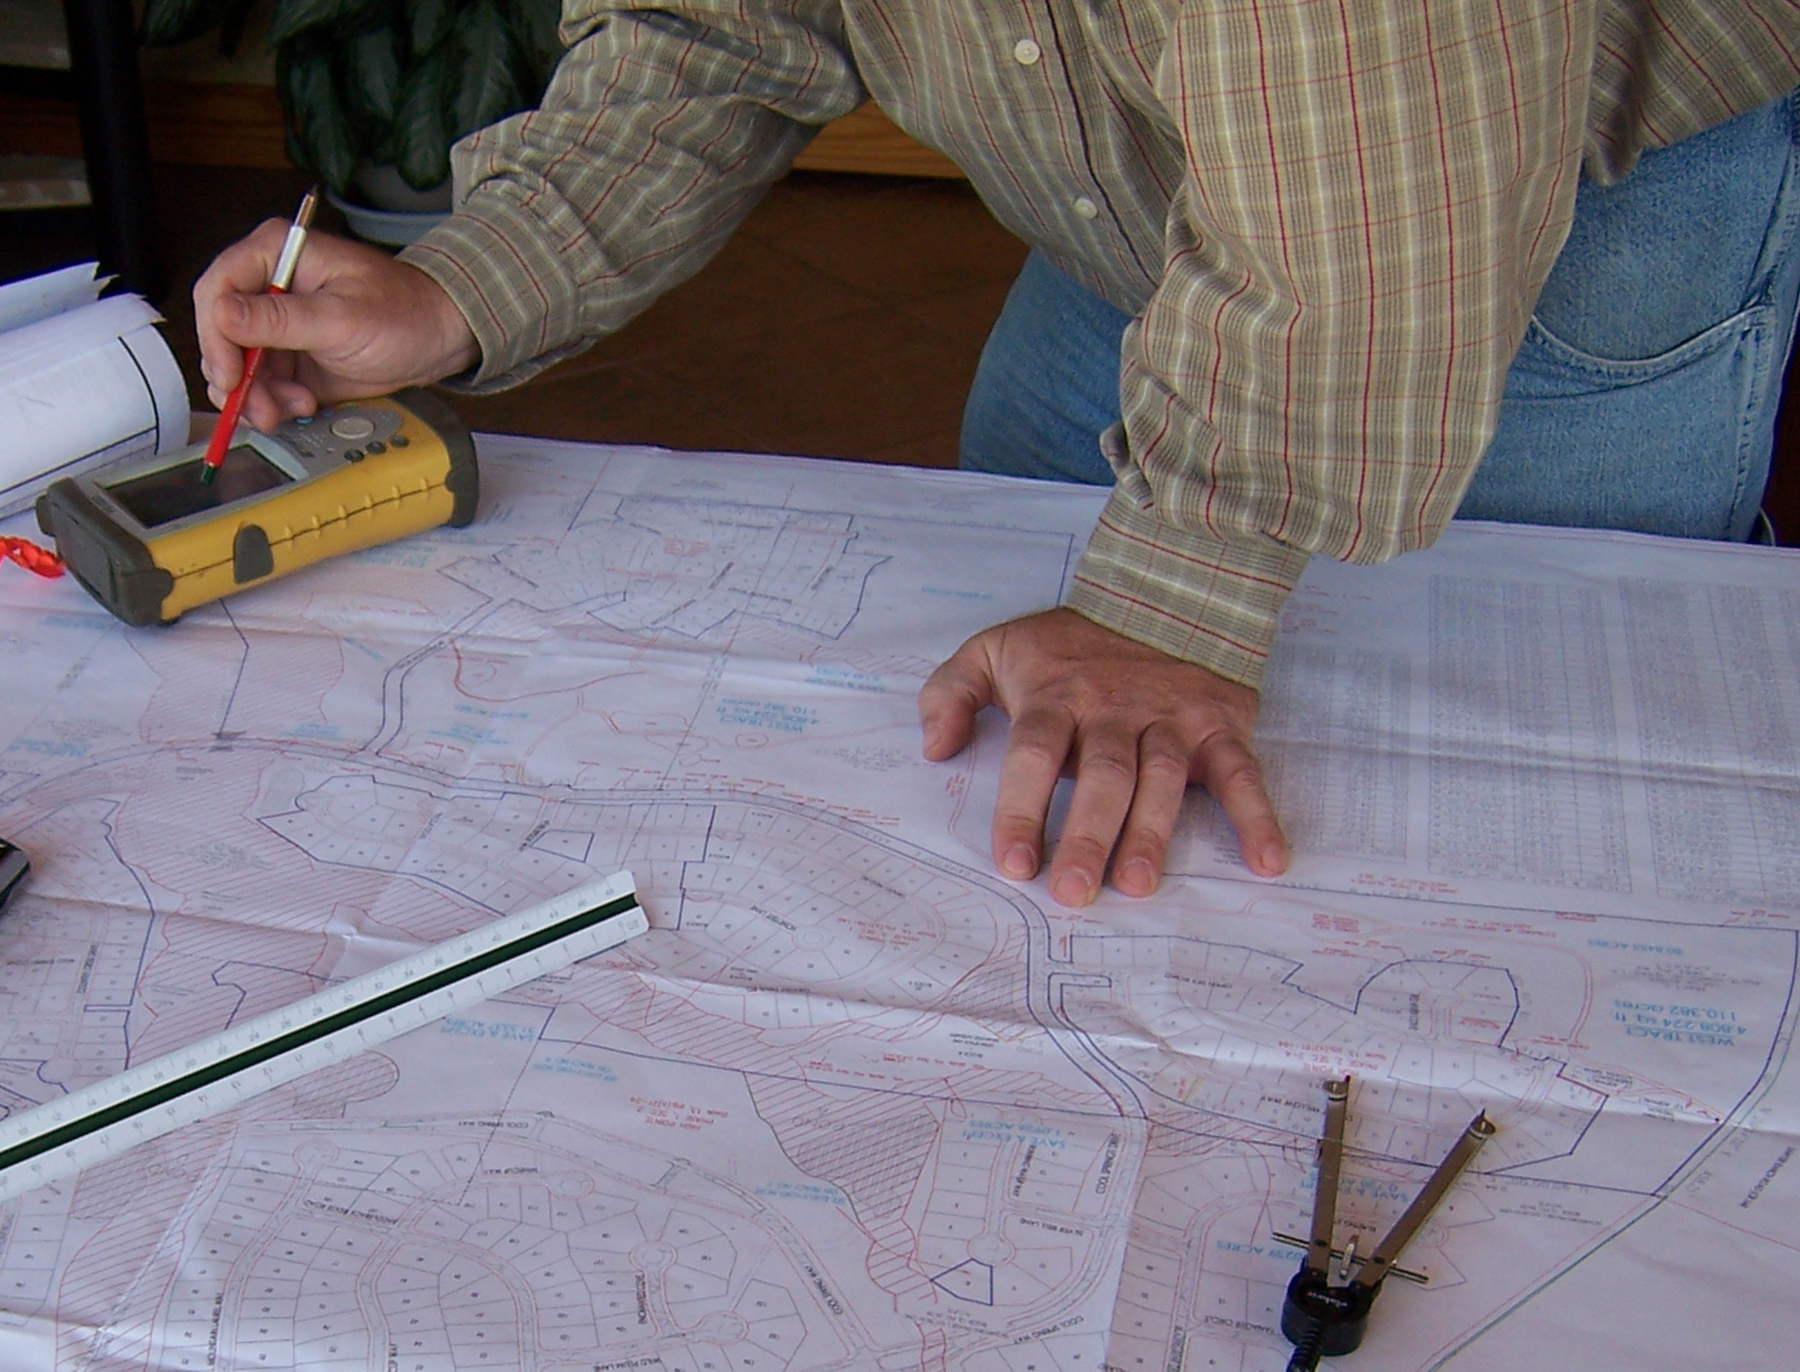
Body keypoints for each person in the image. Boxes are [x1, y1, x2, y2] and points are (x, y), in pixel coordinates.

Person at [194, 2, 1800, 908]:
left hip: (1544, 230)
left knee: (1477, 868)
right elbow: (718, 24)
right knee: (1024, 790)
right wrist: (468, 279)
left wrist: (1175, 604)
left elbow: (1368, 256)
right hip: (1138, 201)